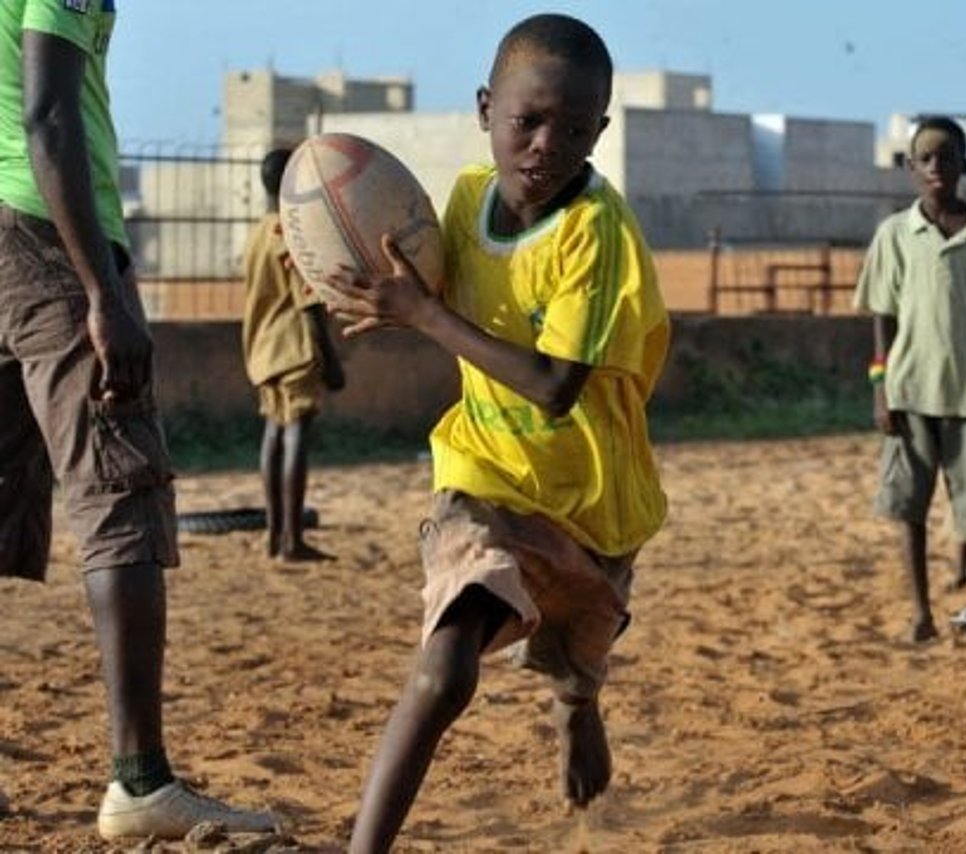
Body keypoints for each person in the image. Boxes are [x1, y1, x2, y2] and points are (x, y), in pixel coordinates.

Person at [321, 14, 669, 850]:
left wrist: (427, 316)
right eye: (528, 121)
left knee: (575, 653)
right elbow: (428, 299)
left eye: (576, 128)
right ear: (485, 108)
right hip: (483, 476)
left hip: (591, 498)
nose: (548, 144)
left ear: (601, 130)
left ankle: (578, 705)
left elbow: (553, 387)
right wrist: (386, 301)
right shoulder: (463, 199)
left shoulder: (597, 232)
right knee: (443, 671)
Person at [0, 2, 276, 841]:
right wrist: (103, 293)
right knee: (120, 491)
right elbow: (49, 115)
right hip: (42, 232)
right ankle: (141, 781)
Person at [853, 116, 966, 641]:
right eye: (925, 158)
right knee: (910, 508)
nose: (937, 167)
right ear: (910, 169)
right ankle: (922, 614)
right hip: (909, 393)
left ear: (965, 167)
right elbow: (883, 314)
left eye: (947, 157)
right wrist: (881, 385)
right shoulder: (896, 234)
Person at [242, 148, 345, 562]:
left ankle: (273, 534)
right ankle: (292, 540)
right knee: (297, 434)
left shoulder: (257, 233)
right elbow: (310, 305)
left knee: (273, 433)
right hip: (296, 348)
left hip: (262, 348)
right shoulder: (293, 234)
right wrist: (332, 361)